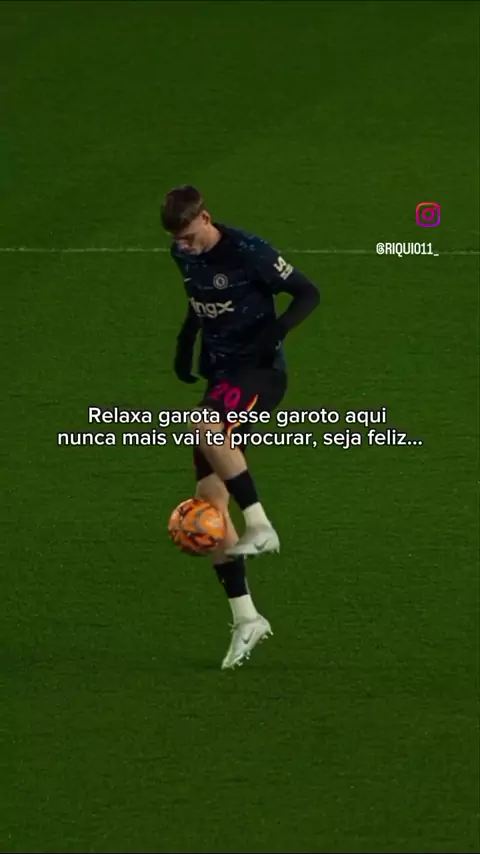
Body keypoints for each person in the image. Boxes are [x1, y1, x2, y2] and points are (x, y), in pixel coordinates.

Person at [162, 185, 320, 669]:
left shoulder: (249, 251)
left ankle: (261, 524)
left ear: (205, 218)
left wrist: (276, 332)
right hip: (221, 374)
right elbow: (199, 299)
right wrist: (185, 340)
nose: (184, 246)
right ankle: (247, 618)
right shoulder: (183, 253)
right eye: (177, 240)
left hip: (258, 373)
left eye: (189, 236)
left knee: (203, 424)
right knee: (208, 506)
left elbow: (308, 292)